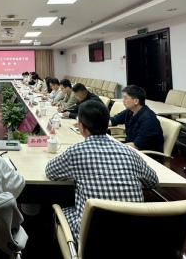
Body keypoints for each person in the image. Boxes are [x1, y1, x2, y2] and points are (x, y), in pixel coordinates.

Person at [45, 100, 158, 243]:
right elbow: (153, 182)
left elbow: (50, 172)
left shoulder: (76, 152)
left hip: (92, 240)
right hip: (134, 234)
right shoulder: (129, 152)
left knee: (59, 210)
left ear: (81, 127)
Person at [109, 85, 164, 152]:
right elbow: (113, 120)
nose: (123, 101)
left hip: (145, 153)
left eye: (126, 98)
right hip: (131, 147)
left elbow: (137, 145)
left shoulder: (148, 119)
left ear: (136, 101)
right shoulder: (130, 111)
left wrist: (114, 146)